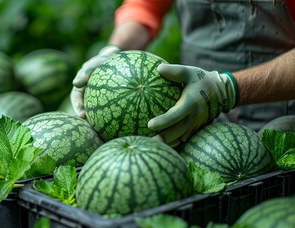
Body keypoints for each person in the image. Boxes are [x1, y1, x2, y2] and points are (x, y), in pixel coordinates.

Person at [71, 0, 295, 147]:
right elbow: (146, 6)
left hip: (283, 117)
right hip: (193, 113)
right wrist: (114, 50)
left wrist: (226, 89)